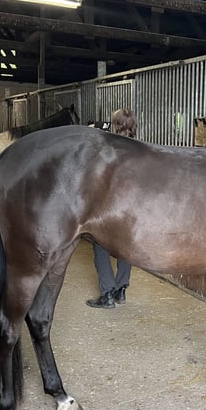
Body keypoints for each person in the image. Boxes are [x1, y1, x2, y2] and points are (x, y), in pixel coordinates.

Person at [86, 108, 137, 309]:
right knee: (127, 249)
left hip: (110, 208)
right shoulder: (141, 149)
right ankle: (121, 289)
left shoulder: (107, 148)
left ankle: (107, 294)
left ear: (115, 125)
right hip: (132, 210)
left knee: (100, 247)